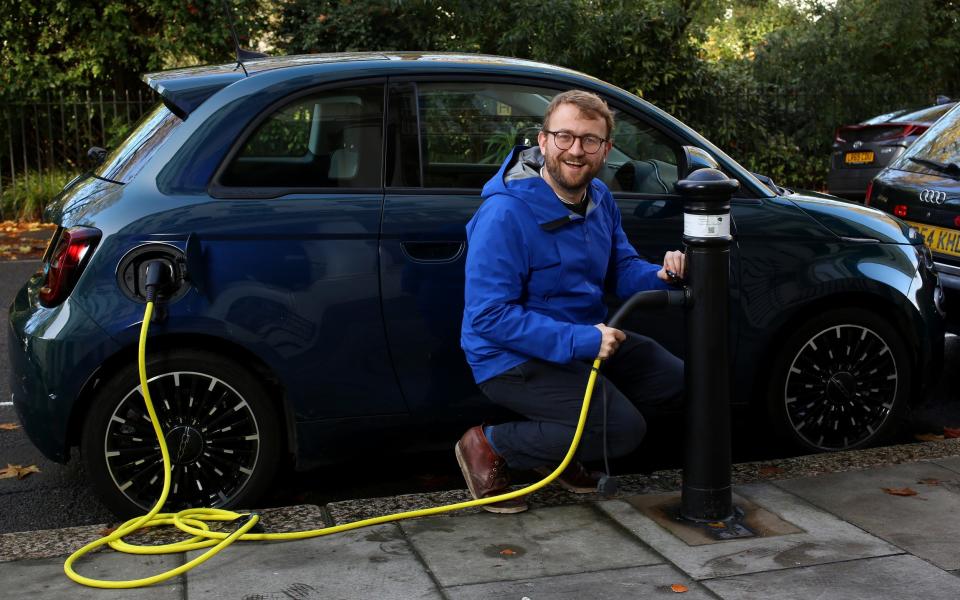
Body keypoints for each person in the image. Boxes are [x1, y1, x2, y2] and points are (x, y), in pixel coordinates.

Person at [457, 90, 685, 513]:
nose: (575, 151)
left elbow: (622, 268)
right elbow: (489, 317)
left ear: (606, 150)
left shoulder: (599, 198)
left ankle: (564, 453)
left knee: (676, 379)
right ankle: (490, 446)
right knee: (621, 430)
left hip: (582, 340)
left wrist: (663, 273)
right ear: (542, 142)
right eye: (564, 137)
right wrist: (582, 341)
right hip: (509, 356)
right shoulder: (505, 213)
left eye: (589, 140)